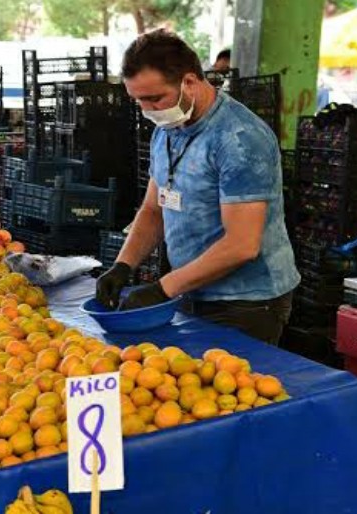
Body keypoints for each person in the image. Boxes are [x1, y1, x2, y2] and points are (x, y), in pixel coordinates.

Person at [97, 30, 299, 345]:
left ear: (189, 82)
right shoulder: (168, 128)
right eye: (138, 100)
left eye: (154, 98)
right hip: (189, 289)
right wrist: (123, 265)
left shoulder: (239, 138)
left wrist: (163, 288)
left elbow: (242, 244)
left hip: (245, 303)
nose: (147, 110)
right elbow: (153, 209)